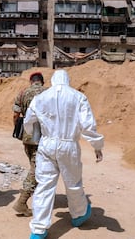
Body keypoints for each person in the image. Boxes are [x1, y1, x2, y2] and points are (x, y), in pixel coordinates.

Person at [24, 69, 104, 239]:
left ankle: (38, 230)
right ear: (67, 80)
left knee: (44, 185)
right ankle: (79, 214)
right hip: (68, 145)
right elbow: (87, 126)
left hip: (46, 144)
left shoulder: (41, 97)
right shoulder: (78, 97)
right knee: (73, 183)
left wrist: (33, 133)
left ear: (52, 81)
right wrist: (97, 146)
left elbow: (28, 121)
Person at [12, 72, 47, 216]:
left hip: (28, 136)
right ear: (42, 82)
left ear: (31, 81)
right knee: (36, 168)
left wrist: (18, 128)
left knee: (35, 166)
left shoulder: (23, 93)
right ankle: (22, 202)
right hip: (43, 136)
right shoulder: (48, 92)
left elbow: (16, 115)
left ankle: (35, 195)